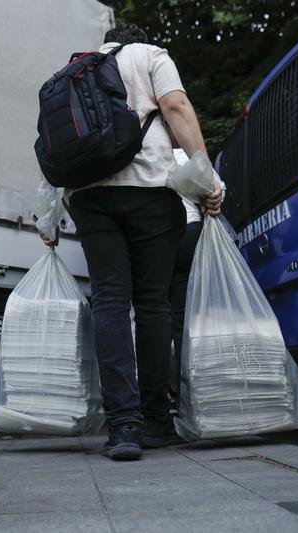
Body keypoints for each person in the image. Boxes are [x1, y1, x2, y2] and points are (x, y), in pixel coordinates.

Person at [41, 23, 221, 461]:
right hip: (150, 193)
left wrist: (48, 216)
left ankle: (122, 424)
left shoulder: (74, 71)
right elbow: (176, 106)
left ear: (106, 39)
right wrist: (207, 177)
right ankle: (156, 420)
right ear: (136, 37)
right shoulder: (150, 55)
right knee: (154, 304)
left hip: (89, 197)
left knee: (109, 300)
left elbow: (57, 141)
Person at [168, 149, 224, 404]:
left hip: (151, 237)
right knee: (184, 320)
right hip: (188, 232)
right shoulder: (184, 152)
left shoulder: (138, 148)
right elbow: (216, 187)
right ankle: (187, 395)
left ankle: (153, 395)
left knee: (151, 314)